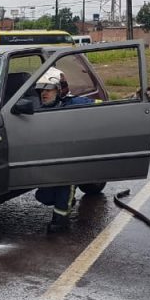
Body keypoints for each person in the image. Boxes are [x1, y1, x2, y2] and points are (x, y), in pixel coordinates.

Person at [32, 67, 94, 233]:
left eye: (48, 89)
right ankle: (66, 201)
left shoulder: (72, 104)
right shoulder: (37, 111)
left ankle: (61, 221)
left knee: (65, 184)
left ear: (58, 90)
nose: (44, 93)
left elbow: (105, 108)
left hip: (69, 160)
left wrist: (136, 99)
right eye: (41, 90)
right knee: (43, 196)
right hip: (49, 160)